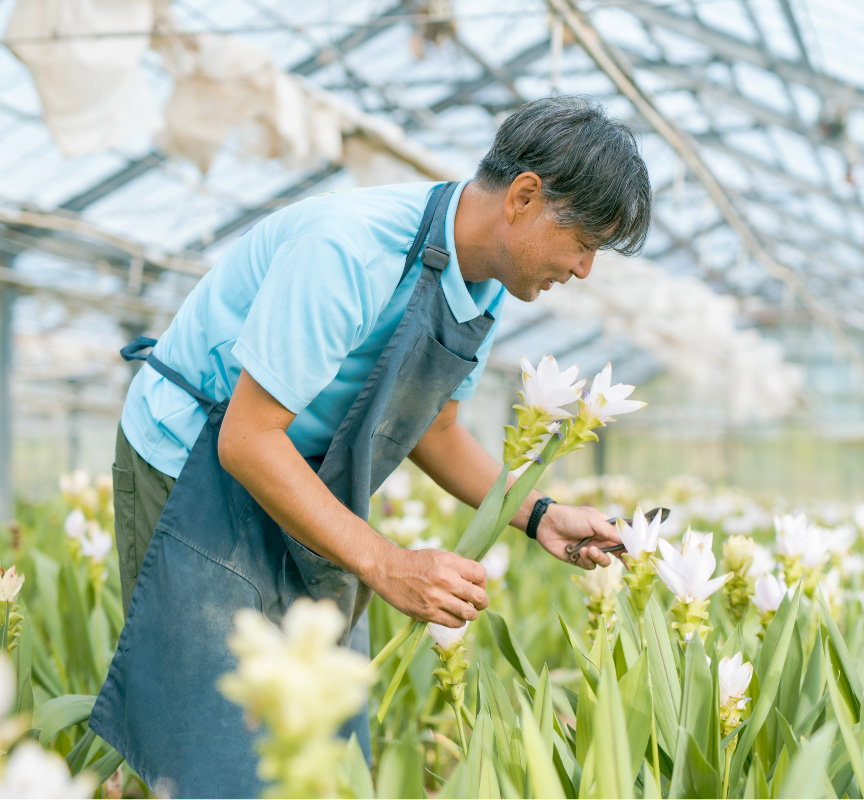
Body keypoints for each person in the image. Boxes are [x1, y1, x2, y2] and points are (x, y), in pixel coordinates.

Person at [90, 95, 652, 798]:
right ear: (525, 197)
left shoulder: (485, 287)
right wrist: (385, 563)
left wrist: (538, 514)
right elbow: (247, 439)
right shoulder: (349, 250)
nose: (584, 270)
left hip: (296, 473)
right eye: (585, 243)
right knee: (200, 731)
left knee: (313, 723)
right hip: (191, 462)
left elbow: (435, 428)